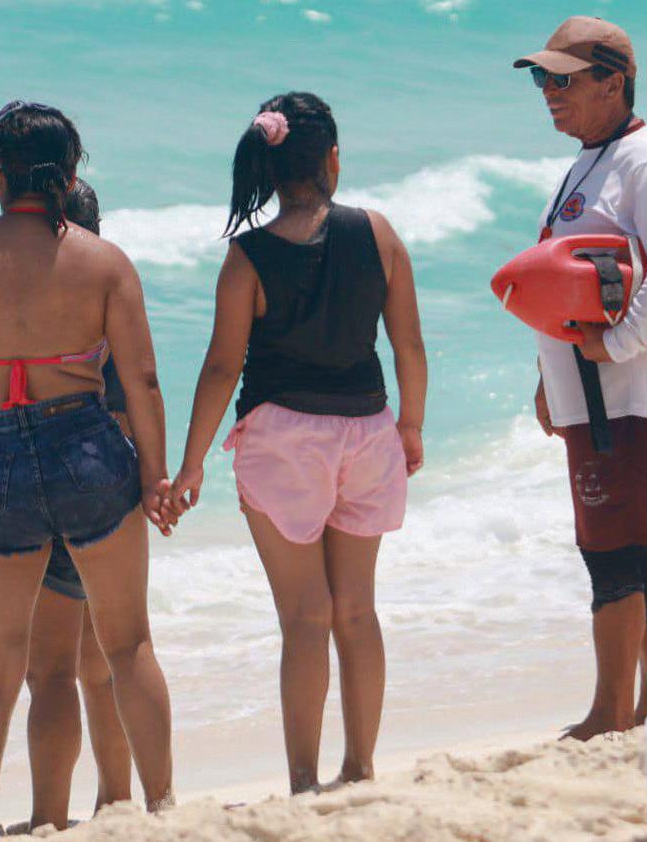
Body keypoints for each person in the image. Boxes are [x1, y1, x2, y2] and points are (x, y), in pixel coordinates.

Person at [0, 101, 176, 830]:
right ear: (70, 176)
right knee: (128, 646)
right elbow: (143, 380)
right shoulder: (103, 261)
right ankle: (162, 811)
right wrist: (155, 475)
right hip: (86, 447)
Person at [169, 93, 427, 794]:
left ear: (269, 168)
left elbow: (221, 366)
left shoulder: (248, 256)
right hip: (367, 431)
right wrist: (410, 424)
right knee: (357, 610)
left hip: (283, 440)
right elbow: (407, 343)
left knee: (305, 618)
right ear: (332, 160)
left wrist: (190, 465)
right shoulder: (378, 233)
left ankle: (304, 780)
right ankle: (361, 765)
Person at [515, 16, 647, 740]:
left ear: (612, 82)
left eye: (562, 78)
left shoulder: (642, 162)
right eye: (542, 78)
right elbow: (565, 286)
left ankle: (609, 712)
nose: (548, 90)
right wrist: (548, 375)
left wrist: (625, 342)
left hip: (621, 401)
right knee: (635, 544)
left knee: (610, 552)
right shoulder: (592, 159)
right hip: (590, 398)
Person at [0, 180, 136, 831]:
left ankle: (48, 817)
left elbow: (3, 437)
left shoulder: (25, 316)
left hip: (28, 503)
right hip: (101, 497)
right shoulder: (104, 297)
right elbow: (130, 411)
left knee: (52, 673)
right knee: (105, 665)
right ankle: (117, 803)